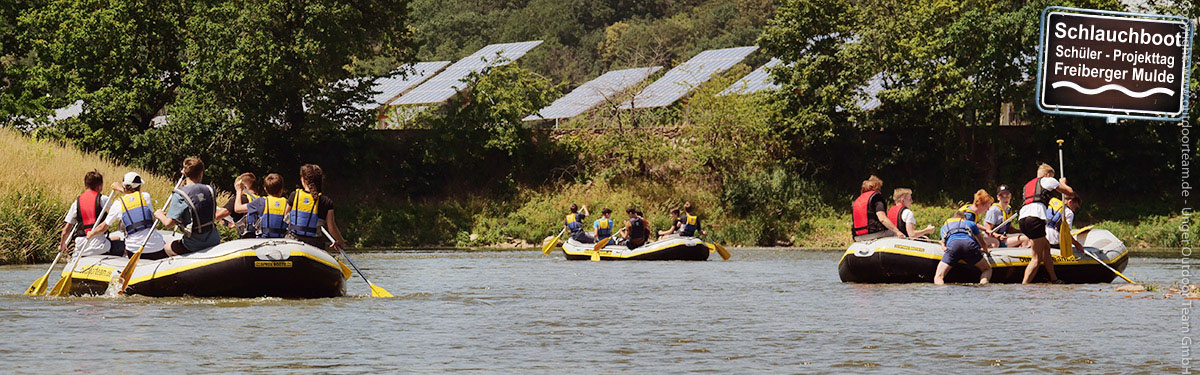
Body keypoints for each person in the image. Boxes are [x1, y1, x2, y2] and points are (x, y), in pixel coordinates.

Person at [156, 157, 229, 256]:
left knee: (167, 247)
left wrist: (159, 215)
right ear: (201, 173)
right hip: (214, 239)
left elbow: (169, 224)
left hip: (194, 244)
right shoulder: (211, 190)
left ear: (184, 172)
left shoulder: (180, 194)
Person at [86, 172, 168, 260]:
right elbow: (132, 195)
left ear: (124, 185)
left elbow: (103, 227)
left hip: (133, 251)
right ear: (139, 186)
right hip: (156, 248)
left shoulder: (118, 204)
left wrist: (92, 233)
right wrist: (121, 188)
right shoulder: (145, 197)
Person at [1017, 163, 1075, 284]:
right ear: (1047, 174)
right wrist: (1062, 183)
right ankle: (1024, 285)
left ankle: (1053, 279)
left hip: (1023, 219)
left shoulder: (1028, 184)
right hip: (1035, 218)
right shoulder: (1048, 180)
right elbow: (1070, 193)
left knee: (1046, 246)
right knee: (1036, 258)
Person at [285, 164, 347, 250]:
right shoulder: (326, 201)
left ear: (303, 179)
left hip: (292, 241)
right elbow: (331, 228)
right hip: (314, 243)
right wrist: (340, 241)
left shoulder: (294, 195)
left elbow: (286, 217)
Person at [60, 170, 118, 256]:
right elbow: (118, 211)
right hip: (99, 247)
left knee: (112, 238)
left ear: (85, 185)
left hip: (80, 247)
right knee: (118, 239)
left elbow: (65, 231)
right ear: (99, 187)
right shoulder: (103, 199)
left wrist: (62, 245)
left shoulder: (76, 203)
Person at [934, 211, 992, 285]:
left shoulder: (944, 227)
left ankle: (942, 293)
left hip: (954, 246)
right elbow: (982, 242)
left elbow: (945, 248)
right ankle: (982, 285)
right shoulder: (970, 223)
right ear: (964, 218)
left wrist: (942, 244)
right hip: (969, 245)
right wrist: (985, 250)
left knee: (939, 276)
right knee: (987, 269)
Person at [851, 175, 905, 241]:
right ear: (877, 188)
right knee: (895, 233)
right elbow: (882, 219)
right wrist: (898, 232)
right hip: (874, 233)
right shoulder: (876, 199)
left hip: (858, 236)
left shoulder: (857, 201)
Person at [237, 173, 289, 238]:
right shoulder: (287, 204)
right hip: (282, 241)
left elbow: (237, 208)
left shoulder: (260, 202)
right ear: (281, 190)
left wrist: (238, 191)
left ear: (265, 189)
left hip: (263, 240)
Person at [224, 172, 262, 238]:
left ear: (243, 187)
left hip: (245, 239)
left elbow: (219, 215)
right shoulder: (261, 200)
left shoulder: (239, 199)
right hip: (260, 237)